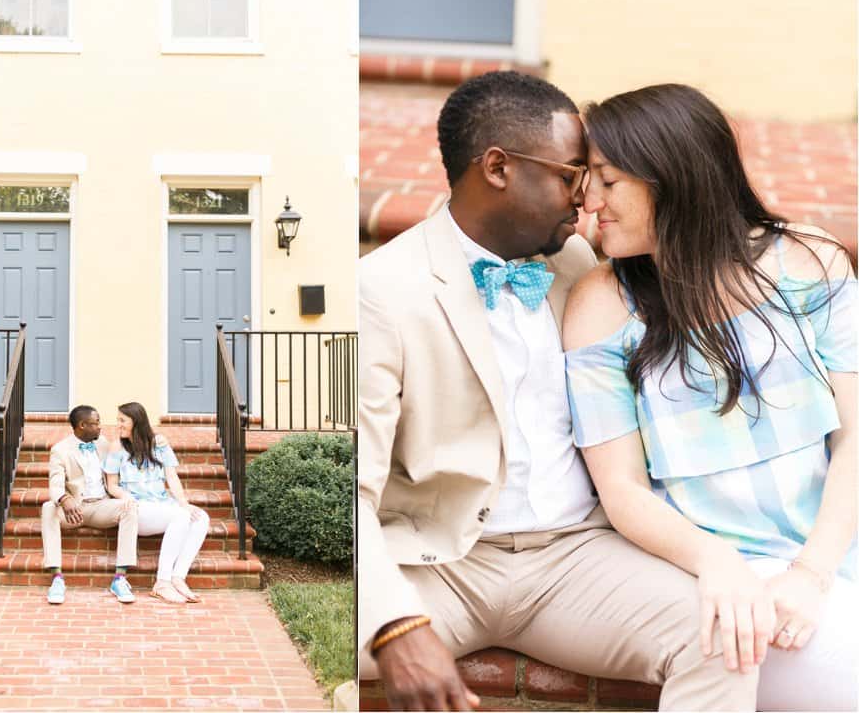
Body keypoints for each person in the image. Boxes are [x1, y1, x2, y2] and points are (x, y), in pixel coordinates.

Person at [359, 71, 758, 712]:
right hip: (443, 566)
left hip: (578, 558)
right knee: (305, 641)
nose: (586, 199)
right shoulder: (383, 289)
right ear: (499, 169)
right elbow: (354, 488)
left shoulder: (582, 267)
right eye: (573, 174)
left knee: (723, 638)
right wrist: (394, 625)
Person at [563, 83, 857, 711]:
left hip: (833, 549)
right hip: (731, 582)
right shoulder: (601, 306)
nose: (590, 203)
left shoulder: (811, 262)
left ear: (670, 178)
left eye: (608, 181)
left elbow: (855, 434)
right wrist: (724, 566)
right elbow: (622, 490)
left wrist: (814, 571)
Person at [104, 401, 210, 604]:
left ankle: (178, 577)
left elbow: (172, 477)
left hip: (162, 503)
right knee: (181, 516)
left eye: (122, 420)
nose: (118, 425)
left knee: (200, 517)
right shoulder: (117, 447)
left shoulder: (159, 445)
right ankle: (162, 583)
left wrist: (184, 502)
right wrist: (126, 497)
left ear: (136, 422)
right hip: (138, 509)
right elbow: (112, 485)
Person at [41, 404, 139, 604]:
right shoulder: (60, 450)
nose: (100, 427)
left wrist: (157, 440)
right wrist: (64, 499)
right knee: (48, 508)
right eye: (96, 423)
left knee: (130, 506)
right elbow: (55, 484)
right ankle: (57, 578)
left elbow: (133, 443)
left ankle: (120, 578)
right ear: (82, 425)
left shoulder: (103, 444)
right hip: (74, 510)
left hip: (101, 506)